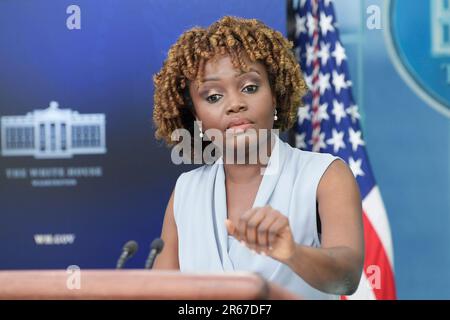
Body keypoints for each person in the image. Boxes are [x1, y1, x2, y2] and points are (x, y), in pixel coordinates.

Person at [151, 16, 364, 299]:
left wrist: (293, 253)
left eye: (250, 87)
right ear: (196, 116)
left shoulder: (325, 175)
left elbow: (347, 277)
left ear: (274, 96)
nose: (235, 103)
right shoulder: (186, 191)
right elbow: (159, 292)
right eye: (213, 96)